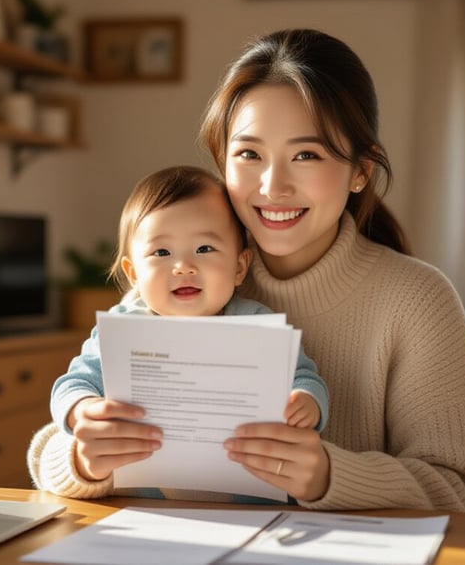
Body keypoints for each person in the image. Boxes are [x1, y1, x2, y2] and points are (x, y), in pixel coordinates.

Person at [29, 29, 465, 513]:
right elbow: (52, 447)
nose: (273, 186)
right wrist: (86, 460)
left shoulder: (416, 298)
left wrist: (327, 476)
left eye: (306, 155)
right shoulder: (185, 275)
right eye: (249, 154)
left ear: (361, 171)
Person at [37, 165, 329, 500]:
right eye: (162, 253)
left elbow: (305, 376)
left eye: (204, 249)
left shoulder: (257, 324)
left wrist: (307, 401)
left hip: (251, 505)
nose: (183, 267)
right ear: (134, 274)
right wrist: (83, 409)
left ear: (239, 267)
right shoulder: (123, 329)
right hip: (147, 507)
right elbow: (71, 385)